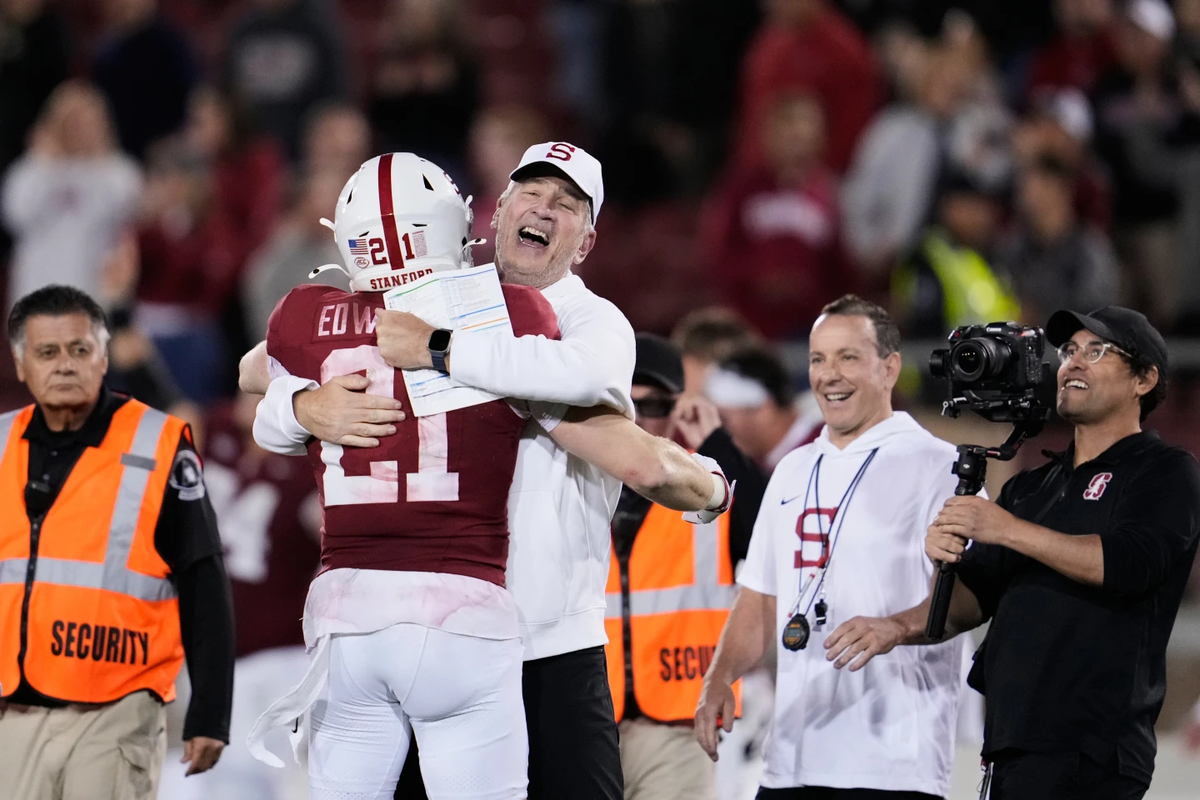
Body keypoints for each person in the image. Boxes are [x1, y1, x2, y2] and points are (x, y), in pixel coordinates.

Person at [242, 152, 731, 800]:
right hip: (448, 629)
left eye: (568, 204)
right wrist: (305, 406)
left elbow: (585, 391)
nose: (544, 209)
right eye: (531, 192)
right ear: (493, 213)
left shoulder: (587, 320)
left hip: (547, 645)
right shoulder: (430, 296)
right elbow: (257, 368)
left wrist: (442, 350)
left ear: (585, 242)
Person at [830, 306, 1200, 800]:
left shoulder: (1165, 470)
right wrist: (899, 620)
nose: (1073, 362)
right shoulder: (1033, 487)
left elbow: (1129, 564)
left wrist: (1007, 529)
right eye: (1068, 351)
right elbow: (973, 601)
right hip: (1011, 743)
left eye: (1097, 351)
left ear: (1145, 379)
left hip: (1092, 748)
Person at [696, 295, 967, 800]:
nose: (829, 374)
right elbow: (758, 598)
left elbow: (973, 597)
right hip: (791, 760)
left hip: (891, 763)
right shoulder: (793, 470)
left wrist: (897, 626)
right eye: (818, 358)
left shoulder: (939, 466)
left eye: (848, 357)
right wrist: (720, 678)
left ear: (889, 369)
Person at [0, 285, 234, 799]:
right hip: (12, 712)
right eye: (46, 352)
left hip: (116, 708)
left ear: (103, 358)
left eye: (79, 350)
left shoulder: (158, 443)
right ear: (20, 365)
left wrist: (211, 711)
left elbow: (203, 578)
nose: (64, 365)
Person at [606, 333, 768, 800]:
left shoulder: (709, 481)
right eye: (625, 401)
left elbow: (769, 530)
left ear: (680, 408)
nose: (638, 417)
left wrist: (717, 441)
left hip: (678, 722)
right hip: (586, 718)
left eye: (654, 403)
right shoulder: (572, 476)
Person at [156, 391, 320, 800]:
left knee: (285, 780)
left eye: (266, 394)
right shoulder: (217, 431)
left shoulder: (310, 467)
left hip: (281, 655)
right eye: (248, 392)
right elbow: (178, 417)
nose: (251, 402)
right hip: (211, 652)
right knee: (214, 777)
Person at [2, 80, 142, 308]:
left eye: (87, 122)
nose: (79, 130)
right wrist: (46, 164)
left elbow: (125, 215)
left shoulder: (119, 171)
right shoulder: (30, 170)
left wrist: (96, 159)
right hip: (37, 298)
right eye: (72, 122)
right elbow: (18, 217)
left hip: (97, 301)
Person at [706, 344, 823, 474]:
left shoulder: (827, 454)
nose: (719, 429)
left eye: (724, 419)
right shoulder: (759, 466)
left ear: (765, 411)